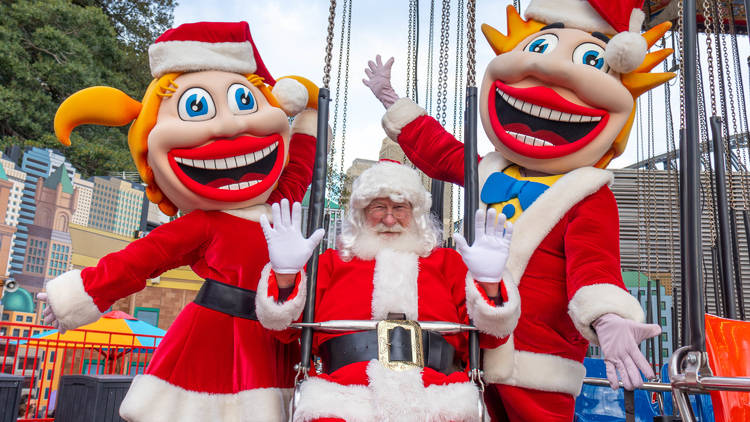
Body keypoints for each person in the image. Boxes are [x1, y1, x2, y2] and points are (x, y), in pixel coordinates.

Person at [363, 1, 673, 420]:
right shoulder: (488, 169)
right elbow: (441, 151)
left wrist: (608, 316)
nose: (551, 79)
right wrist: (392, 101)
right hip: (465, 345)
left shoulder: (586, 192)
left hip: (535, 355)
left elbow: (593, 263)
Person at [36, 21, 322, 422]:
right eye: (197, 107)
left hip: (274, 337)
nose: (229, 127)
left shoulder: (278, 205)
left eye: (243, 101)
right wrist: (81, 294)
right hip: (216, 339)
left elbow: (301, 167)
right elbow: (140, 259)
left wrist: (309, 115)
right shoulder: (205, 223)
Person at [255, 161, 522, 421]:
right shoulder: (332, 262)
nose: (390, 218)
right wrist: (286, 276)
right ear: (362, 213)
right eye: (379, 207)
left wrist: (488, 281)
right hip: (342, 398)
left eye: (399, 208)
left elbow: (491, 337)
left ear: (415, 213)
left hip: (438, 399)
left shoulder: (447, 262)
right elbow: (283, 329)